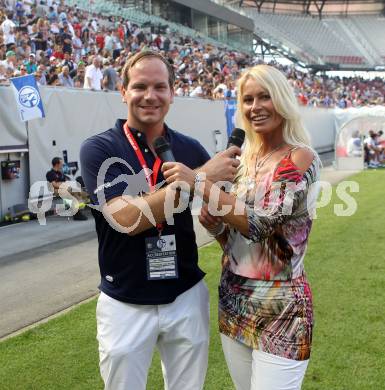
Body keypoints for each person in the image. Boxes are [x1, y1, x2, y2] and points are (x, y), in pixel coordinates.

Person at [80, 50, 240, 390]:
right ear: (122, 92)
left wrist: (218, 215)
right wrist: (198, 178)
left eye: (159, 86)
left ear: (172, 92)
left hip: (185, 294)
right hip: (125, 300)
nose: (150, 96)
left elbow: (231, 214)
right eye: (139, 86)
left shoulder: (190, 148)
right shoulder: (99, 149)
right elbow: (125, 219)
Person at [162, 64, 320, 390]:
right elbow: (243, 248)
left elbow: (260, 223)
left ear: (283, 100)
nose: (255, 107)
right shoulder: (244, 161)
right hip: (235, 298)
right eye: (247, 99)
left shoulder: (299, 157)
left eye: (265, 97)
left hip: (282, 308)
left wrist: (200, 181)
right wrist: (219, 230)